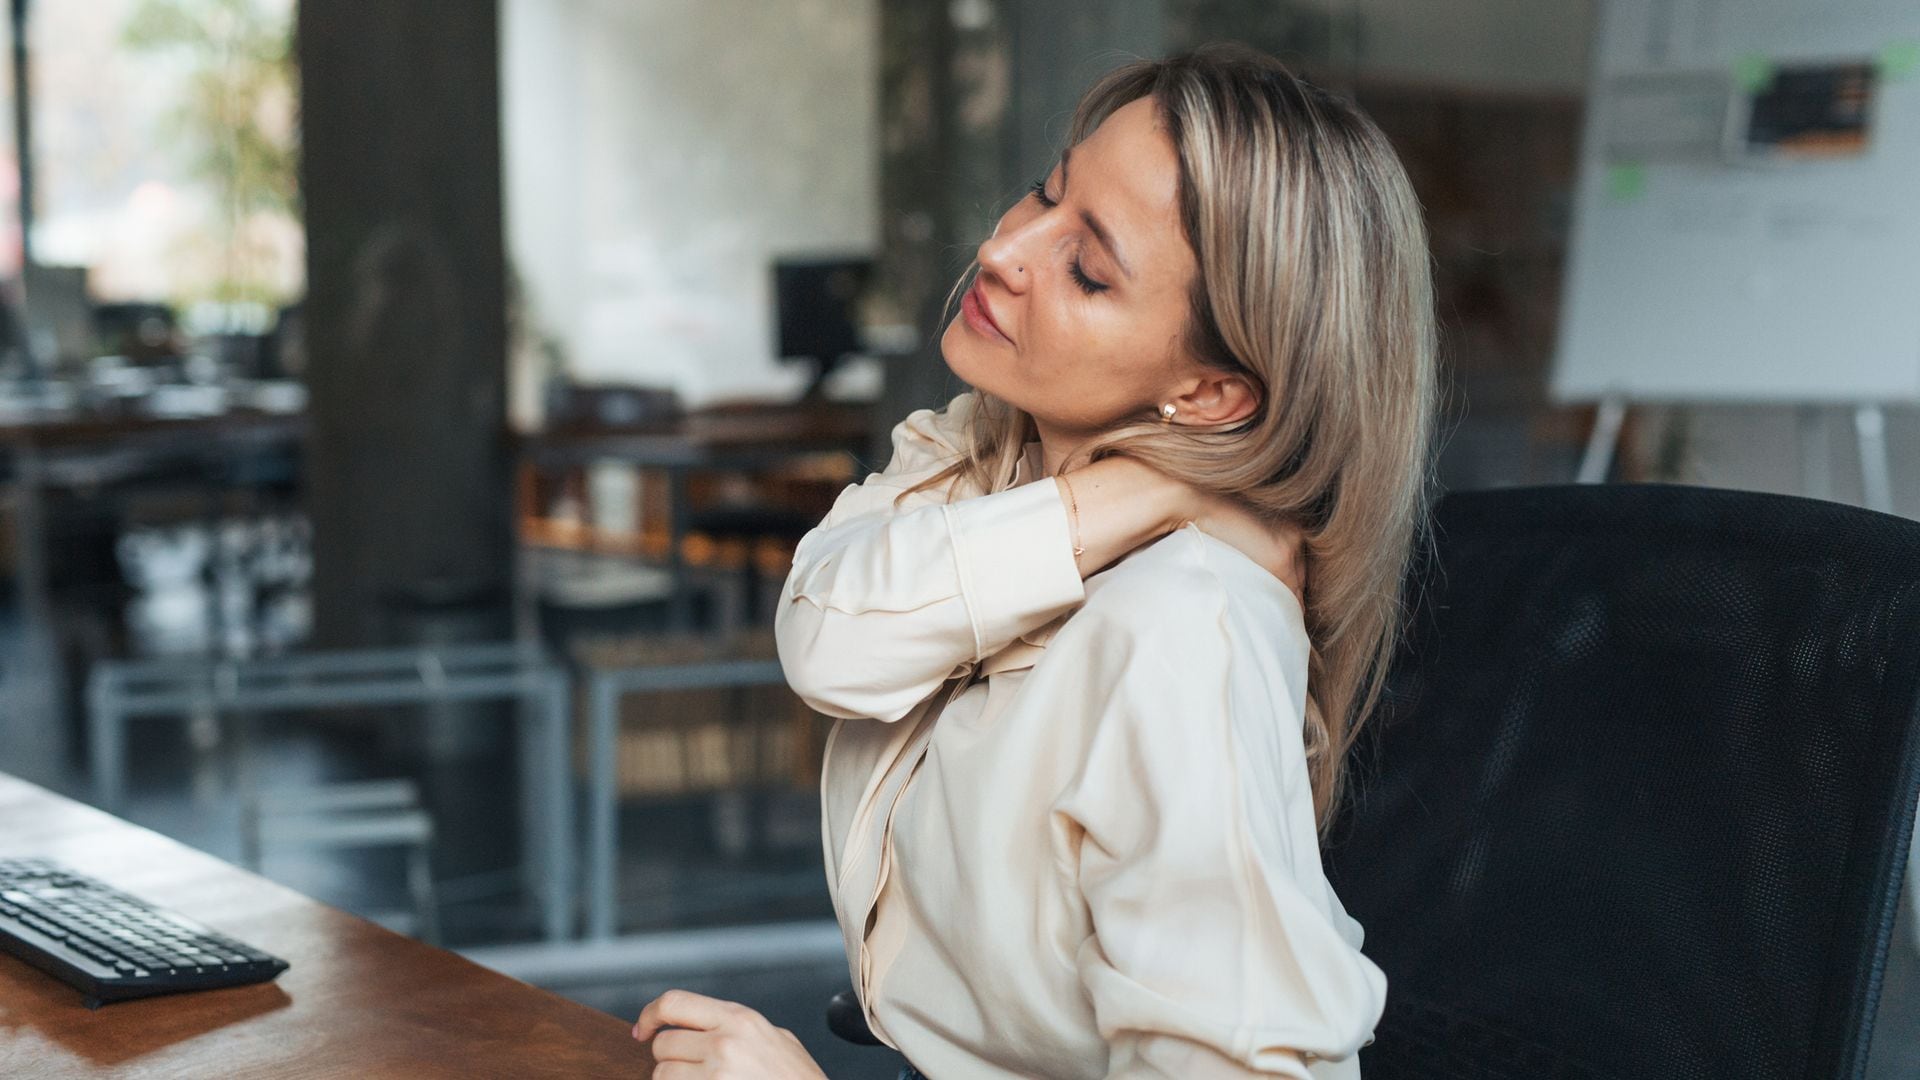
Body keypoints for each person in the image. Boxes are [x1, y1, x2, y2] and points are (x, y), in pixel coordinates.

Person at [632, 42, 1437, 1079]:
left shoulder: (1185, 631)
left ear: (1209, 394)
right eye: (1044, 194)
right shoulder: (980, 455)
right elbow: (832, 642)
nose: (1008, 248)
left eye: (1088, 270)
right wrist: (1154, 486)